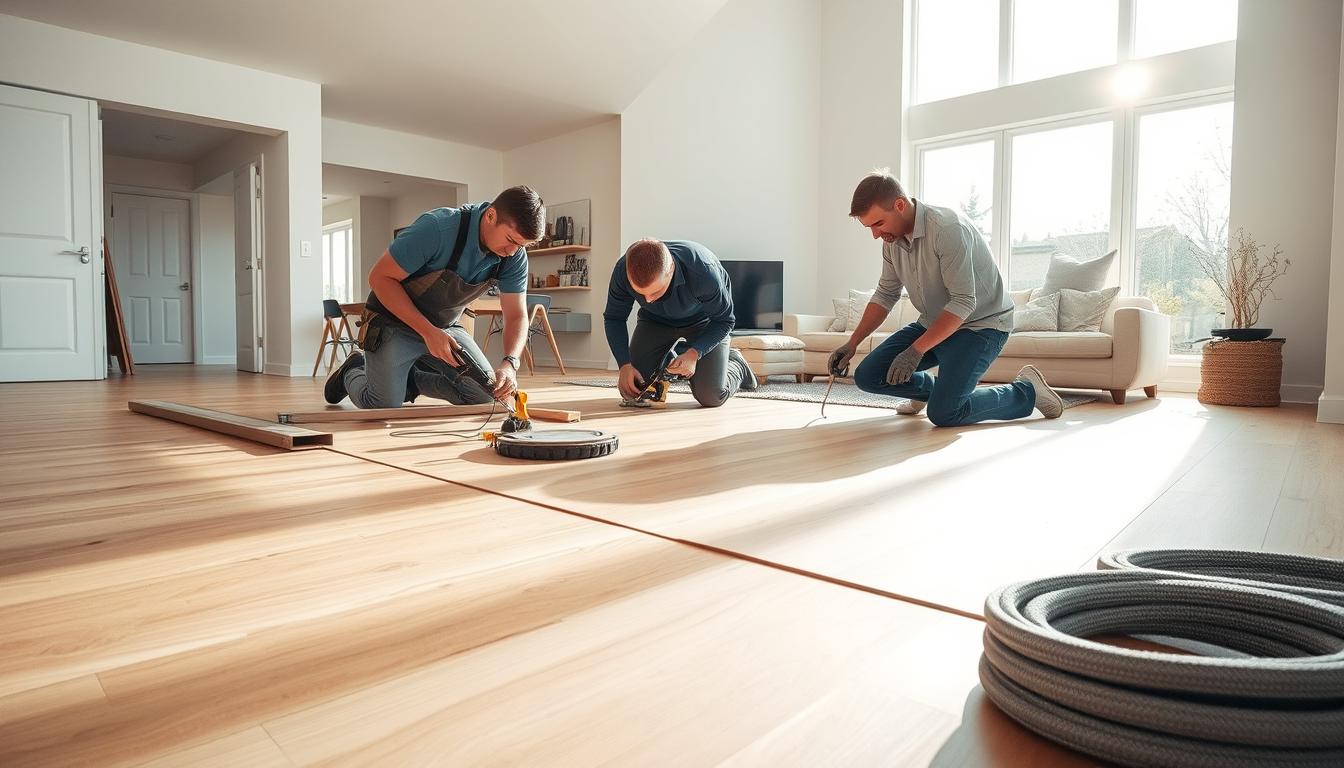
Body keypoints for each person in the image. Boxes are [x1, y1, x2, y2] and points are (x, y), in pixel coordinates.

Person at [830, 171, 1065, 426]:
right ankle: (931, 392)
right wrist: (852, 343)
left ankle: (1026, 391)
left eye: (878, 224)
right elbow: (886, 294)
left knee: (945, 414)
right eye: (870, 227)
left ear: (899, 205)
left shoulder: (947, 229)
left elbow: (964, 301)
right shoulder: (891, 240)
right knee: (868, 375)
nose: (876, 235)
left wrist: (915, 351)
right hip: (935, 322)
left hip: (981, 326)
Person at [325, 186, 544, 408]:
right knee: (382, 405)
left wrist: (510, 363)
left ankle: (409, 380)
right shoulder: (437, 228)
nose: (513, 251)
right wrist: (428, 332)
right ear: (490, 216)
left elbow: (516, 315)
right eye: (510, 240)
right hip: (392, 323)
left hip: (444, 327)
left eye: (522, 245)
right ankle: (351, 370)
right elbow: (379, 278)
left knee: (484, 395)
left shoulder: (514, 256)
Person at [604, 239, 758, 408]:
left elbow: (725, 321)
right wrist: (624, 365)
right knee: (633, 390)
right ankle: (668, 361)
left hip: (705, 322)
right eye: (641, 293)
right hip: (654, 321)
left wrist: (695, 353)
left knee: (711, 396)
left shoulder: (704, 271)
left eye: (655, 292)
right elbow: (614, 318)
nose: (647, 300)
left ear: (670, 270)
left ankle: (737, 364)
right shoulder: (623, 269)